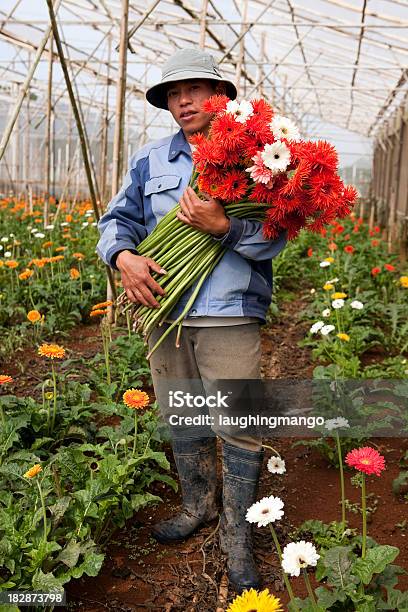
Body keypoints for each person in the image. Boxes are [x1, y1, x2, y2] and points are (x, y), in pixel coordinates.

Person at [97, 48, 286, 594]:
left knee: (240, 424)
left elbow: (273, 241)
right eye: (173, 93)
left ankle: (237, 533)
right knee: (183, 412)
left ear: (220, 97)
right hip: (164, 308)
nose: (183, 101)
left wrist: (224, 226)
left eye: (195, 89)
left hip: (230, 315)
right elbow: (117, 221)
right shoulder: (151, 159)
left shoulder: (259, 162)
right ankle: (198, 504)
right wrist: (125, 258)